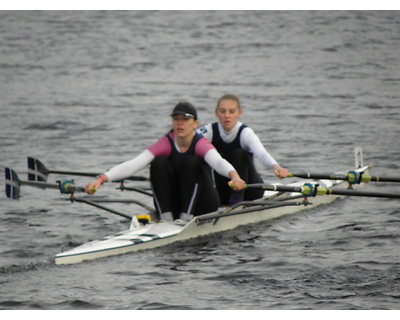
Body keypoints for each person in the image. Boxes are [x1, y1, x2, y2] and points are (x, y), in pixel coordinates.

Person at [85, 102, 246, 222]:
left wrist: (234, 176)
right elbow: (134, 164)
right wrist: (101, 179)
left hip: (203, 204)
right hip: (177, 203)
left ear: (195, 124)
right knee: (158, 162)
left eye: (185, 119)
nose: (180, 123)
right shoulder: (166, 143)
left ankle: (186, 218)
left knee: (191, 162)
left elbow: (218, 162)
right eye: (176, 119)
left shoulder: (201, 144)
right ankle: (166, 218)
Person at [198, 94, 288, 206]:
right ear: (216, 113)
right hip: (223, 190)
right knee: (198, 156)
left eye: (231, 111)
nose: (227, 116)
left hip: (250, 190)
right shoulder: (208, 131)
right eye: (222, 111)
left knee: (239, 153)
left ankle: (237, 201)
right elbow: (187, 142)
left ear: (239, 113)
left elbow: (262, 153)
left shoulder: (245, 133)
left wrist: (276, 167)